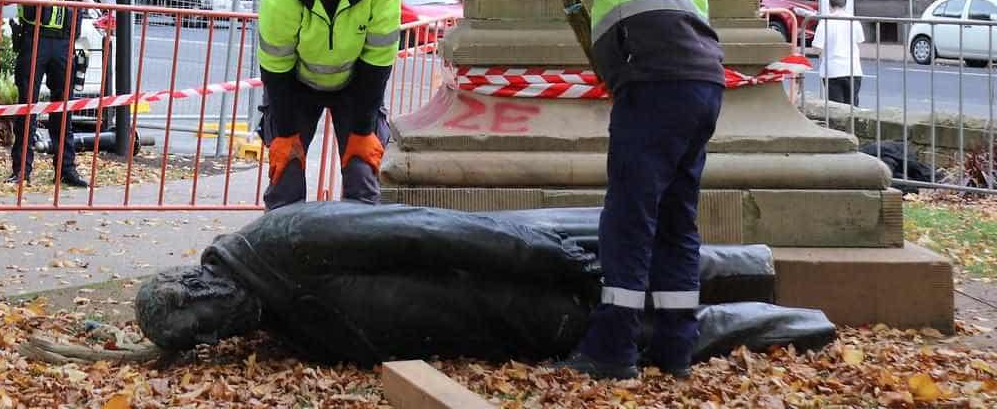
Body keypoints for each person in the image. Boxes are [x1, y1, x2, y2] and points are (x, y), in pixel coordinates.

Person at [133, 202, 834, 366]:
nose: (218, 337)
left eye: (205, 327)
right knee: (639, 328)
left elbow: (424, 231)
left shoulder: (281, 242)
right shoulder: (270, 306)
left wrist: (542, 256)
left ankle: (758, 276)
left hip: (509, 267)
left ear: (198, 291)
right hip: (495, 313)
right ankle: (793, 324)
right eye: (207, 342)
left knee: (640, 280)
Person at [530, 0, 726, 380]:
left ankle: (612, 350)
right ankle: (674, 348)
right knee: (675, 217)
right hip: (700, 83)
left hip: (654, 81)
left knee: (629, 216)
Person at [256, 0, 401, 210]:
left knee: (362, 175)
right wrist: (285, 135)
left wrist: (362, 132)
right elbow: (276, 71)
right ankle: (284, 250)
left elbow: (377, 65)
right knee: (286, 176)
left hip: (357, 86)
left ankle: (360, 252)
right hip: (294, 88)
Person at [0, 0, 91, 187]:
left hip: (63, 42)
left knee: (65, 106)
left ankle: (66, 168)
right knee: (28, 105)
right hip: (34, 39)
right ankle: (21, 170)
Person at [812, 0, 864, 106]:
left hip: (833, 70)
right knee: (852, 109)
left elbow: (817, 48)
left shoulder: (825, 21)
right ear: (845, 6)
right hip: (853, 69)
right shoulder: (854, 21)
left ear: (830, 6)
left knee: (836, 110)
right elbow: (860, 41)